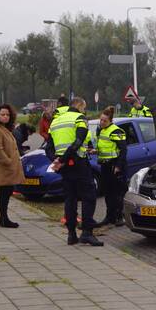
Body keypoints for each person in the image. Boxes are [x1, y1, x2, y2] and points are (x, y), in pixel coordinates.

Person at [48, 97, 102, 246]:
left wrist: (57, 160)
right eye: (84, 108)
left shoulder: (55, 122)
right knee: (88, 196)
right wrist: (64, 159)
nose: (84, 111)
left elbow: (49, 148)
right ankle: (86, 233)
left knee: (70, 198)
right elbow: (78, 142)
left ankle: (71, 234)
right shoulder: (79, 118)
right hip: (78, 162)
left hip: (64, 167)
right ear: (79, 106)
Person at [0, 104, 24, 228]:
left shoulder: (4, 128)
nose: (5, 117)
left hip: (9, 167)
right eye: (3, 114)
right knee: (4, 193)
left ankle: (4, 218)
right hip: (4, 168)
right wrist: (8, 162)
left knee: (7, 193)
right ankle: (3, 218)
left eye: (7, 114)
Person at [92, 106, 128, 226]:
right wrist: (95, 151)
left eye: (104, 121)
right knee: (107, 192)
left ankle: (119, 217)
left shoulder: (116, 131)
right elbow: (105, 147)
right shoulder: (101, 130)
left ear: (110, 121)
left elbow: (123, 150)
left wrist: (118, 166)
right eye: (101, 120)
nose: (102, 122)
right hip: (105, 165)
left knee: (117, 193)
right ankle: (109, 216)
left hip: (115, 165)